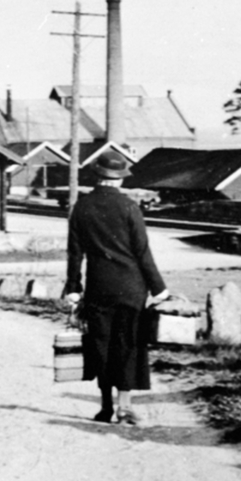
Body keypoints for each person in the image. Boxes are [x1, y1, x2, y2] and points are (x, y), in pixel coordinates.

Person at [63, 152, 170, 426]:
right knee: (128, 345)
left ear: (97, 176)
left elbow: (75, 253)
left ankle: (105, 407)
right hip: (132, 288)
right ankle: (125, 407)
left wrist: (73, 288)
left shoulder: (81, 207)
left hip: (98, 287)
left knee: (101, 345)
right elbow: (142, 252)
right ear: (120, 179)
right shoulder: (129, 207)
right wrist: (159, 289)